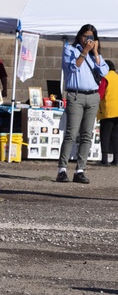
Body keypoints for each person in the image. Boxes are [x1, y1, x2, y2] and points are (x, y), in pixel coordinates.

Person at [58, 24, 108, 184]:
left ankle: (80, 169)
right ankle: (62, 169)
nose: (88, 39)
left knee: (87, 135)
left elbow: (104, 72)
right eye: (86, 36)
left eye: (91, 37)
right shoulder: (70, 50)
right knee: (71, 133)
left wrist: (94, 53)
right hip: (76, 95)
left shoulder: (96, 56)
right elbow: (72, 67)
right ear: (80, 36)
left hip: (92, 96)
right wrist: (84, 52)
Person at [96, 60, 118, 165]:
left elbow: (100, 94)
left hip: (108, 111)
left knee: (105, 135)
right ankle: (116, 159)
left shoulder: (106, 78)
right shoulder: (117, 77)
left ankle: (105, 159)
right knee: (115, 136)